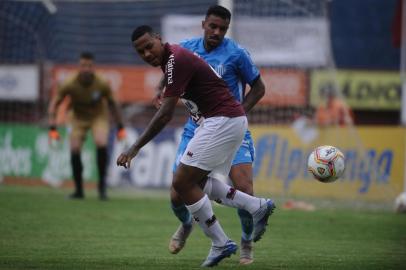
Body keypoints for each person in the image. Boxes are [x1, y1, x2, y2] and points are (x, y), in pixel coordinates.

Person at [117, 25, 275, 267]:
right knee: (195, 182)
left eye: (149, 47)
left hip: (221, 121)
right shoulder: (172, 60)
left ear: (159, 39)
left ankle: (221, 241)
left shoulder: (175, 60)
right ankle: (256, 206)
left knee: (181, 183)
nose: (147, 54)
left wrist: (134, 148)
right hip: (224, 121)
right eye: (141, 52)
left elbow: (165, 115)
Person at [153, 5, 266, 265]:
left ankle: (246, 239)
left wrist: (239, 111)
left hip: (229, 128)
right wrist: (161, 88)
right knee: (176, 193)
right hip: (196, 129)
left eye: (222, 29)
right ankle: (186, 225)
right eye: (212, 26)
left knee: (245, 187)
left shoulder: (237, 54)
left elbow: (259, 88)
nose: (216, 32)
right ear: (203, 24)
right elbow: (169, 68)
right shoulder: (186, 49)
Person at [48, 52, 126, 200]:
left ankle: (102, 187)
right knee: (75, 148)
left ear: (93, 67)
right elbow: (55, 104)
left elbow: (113, 104)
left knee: (101, 142)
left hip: (98, 116)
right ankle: (78, 190)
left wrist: (120, 127)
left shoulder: (102, 83)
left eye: (89, 66)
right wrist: (52, 129)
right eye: (83, 65)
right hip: (77, 117)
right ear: (79, 66)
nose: (86, 69)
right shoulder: (69, 83)